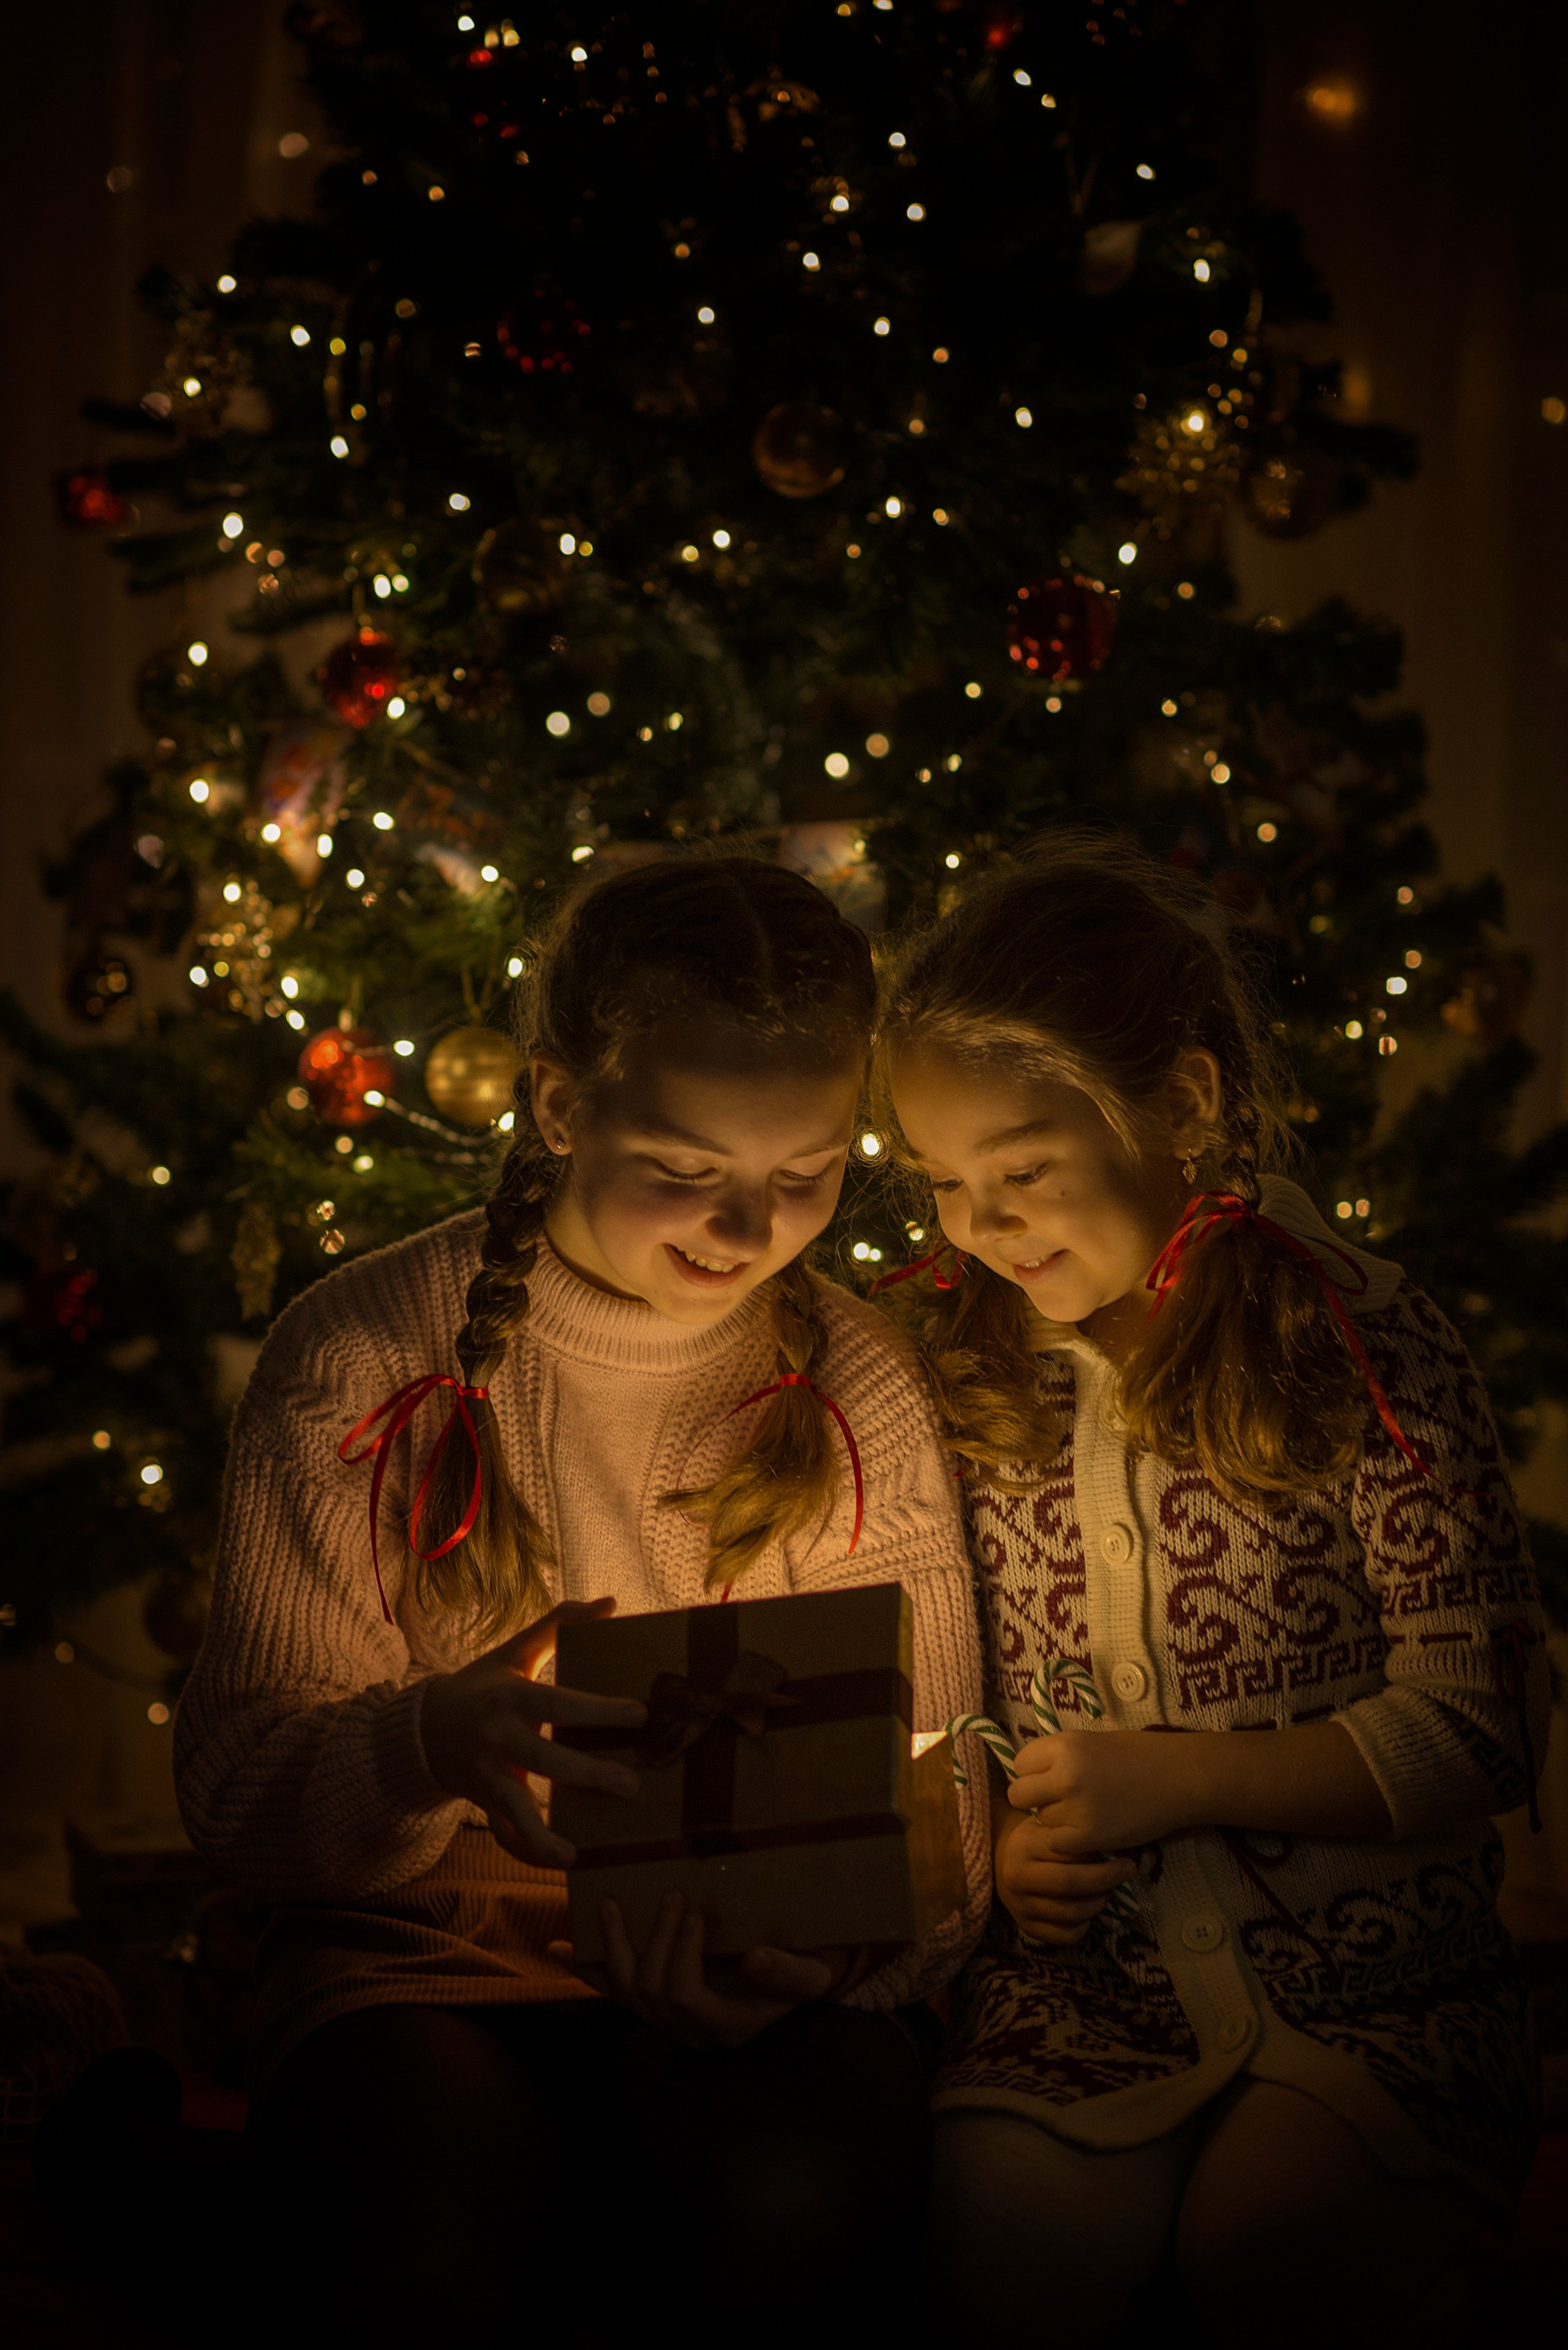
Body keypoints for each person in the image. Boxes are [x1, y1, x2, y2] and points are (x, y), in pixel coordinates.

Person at [174, 855, 987, 2346]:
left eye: (803, 1176)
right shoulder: (365, 1355)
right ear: (559, 1107)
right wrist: (425, 1742)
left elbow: (945, 1779)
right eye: (684, 1169)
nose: (744, 1231)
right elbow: (236, 1789)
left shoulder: (852, 1379)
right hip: (414, 1966)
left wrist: (828, 1958)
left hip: (753, 1969)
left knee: (796, 2208)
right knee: (441, 2243)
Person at [874, 839, 1548, 2350]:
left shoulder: (1357, 1340)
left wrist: (1175, 1780)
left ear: (1177, 1104)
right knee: (998, 2248)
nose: (977, 1223)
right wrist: (989, 1862)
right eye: (939, 1182)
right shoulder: (947, 1367)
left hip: (1378, 1976)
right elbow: (917, 1687)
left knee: (1267, 2261)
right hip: (1084, 1987)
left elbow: (1481, 1723)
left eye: (1021, 1168)